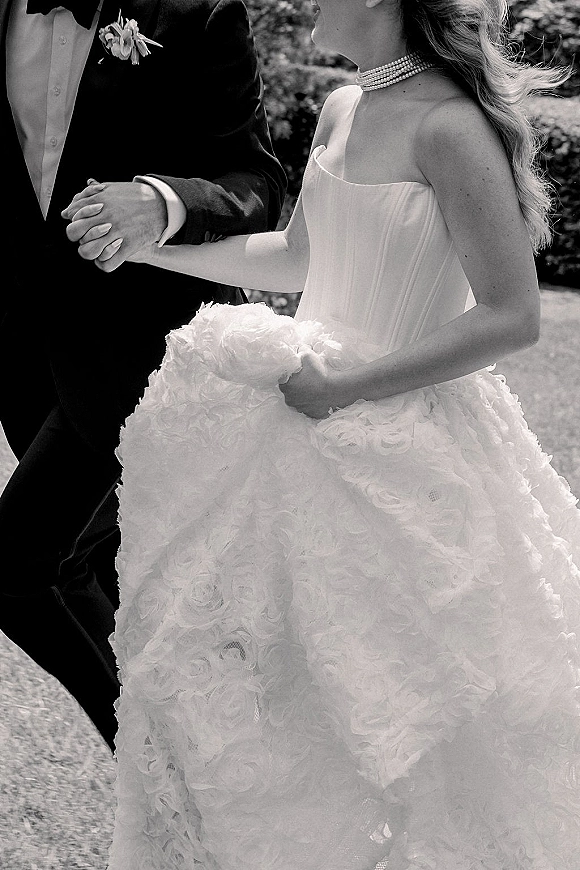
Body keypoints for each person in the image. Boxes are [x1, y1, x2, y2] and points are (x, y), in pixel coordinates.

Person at [67, 0, 580, 866]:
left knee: (398, 715)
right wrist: (147, 247)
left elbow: (511, 315)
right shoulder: (346, 107)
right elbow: (300, 259)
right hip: (297, 436)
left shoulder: (451, 126)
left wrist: (346, 388)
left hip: (405, 452)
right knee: (260, 699)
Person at [0, 0, 286, 754]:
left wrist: (161, 203)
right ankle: (216, 792)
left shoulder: (197, 10)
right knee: (117, 577)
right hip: (27, 351)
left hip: (143, 350)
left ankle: (175, 779)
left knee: (23, 569)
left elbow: (256, 179)